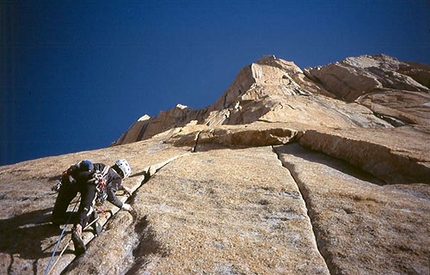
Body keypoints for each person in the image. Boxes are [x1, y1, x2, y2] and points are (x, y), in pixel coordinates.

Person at [52, 159, 133, 255]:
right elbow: (110, 192)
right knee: (86, 208)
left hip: (73, 179)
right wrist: (123, 205)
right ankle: (79, 228)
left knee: (57, 217)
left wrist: (123, 187)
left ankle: (60, 216)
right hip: (91, 184)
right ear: (121, 173)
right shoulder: (117, 178)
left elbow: (110, 183)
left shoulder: (101, 166)